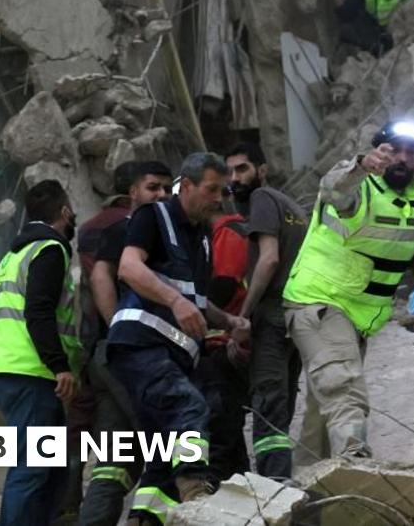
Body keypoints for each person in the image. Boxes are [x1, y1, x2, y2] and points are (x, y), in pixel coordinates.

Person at [282, 120, 414, 460]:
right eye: (396, 150)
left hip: (358, 317)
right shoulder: (359, 185)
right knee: (344, 389)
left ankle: (308, 482)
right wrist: (361, 166)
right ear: (380, 150)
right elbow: (333, 190)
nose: (403, 158)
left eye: (412, 152)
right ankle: (355, 459)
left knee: (325, 407)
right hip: (319, 301)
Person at [106, 152, 250, 523]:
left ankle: (144, 518)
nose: (219, 199)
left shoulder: (201, 237)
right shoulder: (153, 216)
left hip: (173, 354)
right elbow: (128, 267)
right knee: (190, 408)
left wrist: (230, 321)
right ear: (186, 186)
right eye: (212, 189)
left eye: (223, 191)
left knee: (165, 448)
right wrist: (174, 301)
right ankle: (196, 496)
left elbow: (196, 301)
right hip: (141, 344)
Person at [0, 179, 82, 526]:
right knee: (33, 468)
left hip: (9, 370)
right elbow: (38, 312)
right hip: (32, 373)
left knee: (50, 470)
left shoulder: (12, 256)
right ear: (65, 212)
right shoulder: (49, 250)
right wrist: (60, 365)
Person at [79, 161, 172, 526]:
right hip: (127, 357)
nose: (161, 195)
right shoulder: (130, 229)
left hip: (104, 357)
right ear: (131, 192)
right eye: (152, 187)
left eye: (166, 188)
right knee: (167, 442)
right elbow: (101, 277)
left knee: (113, 462)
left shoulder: (105, 228)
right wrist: (122, 332)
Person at [226, 142, 308, 480]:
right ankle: (281, 482)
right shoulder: (293, 207)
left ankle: (271, 486)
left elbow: (269, 259)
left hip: (272, 317)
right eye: (230, 172)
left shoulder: (262, 199)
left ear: (262, 170)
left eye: (242, 169)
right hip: (297, 318)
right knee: (282, 406)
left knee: (268, 405)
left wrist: (243, 317)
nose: (234, 178)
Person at [194, 206, 251, 483]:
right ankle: (242, 485)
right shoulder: (232, 231)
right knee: (229, 430)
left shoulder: (227, 232)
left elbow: (224, 285)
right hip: (227, 341)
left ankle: (221, 486)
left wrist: (194, 307)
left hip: (223, 343)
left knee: (220, 428)